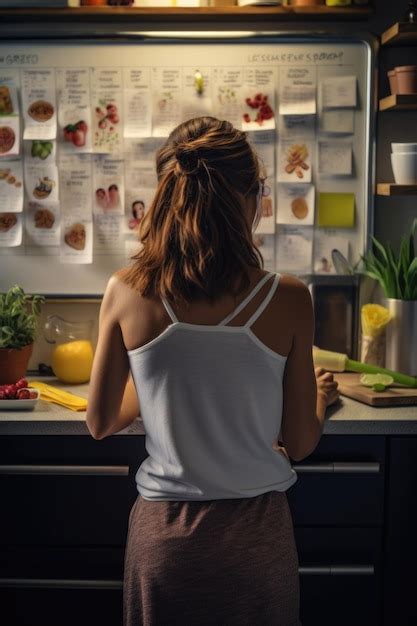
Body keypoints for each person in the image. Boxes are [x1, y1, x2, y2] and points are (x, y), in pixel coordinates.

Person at [86, 116, 339, 626]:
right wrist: (318, 398)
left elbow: (101, 421)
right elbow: (301, 440)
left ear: (165, 192)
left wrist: (160, 386)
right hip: (255, 539)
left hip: (164, 540)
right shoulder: (287, 297)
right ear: (250, 199)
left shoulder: (125, 289)